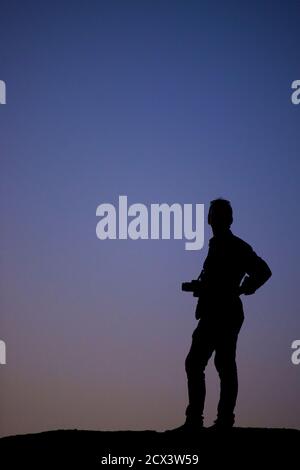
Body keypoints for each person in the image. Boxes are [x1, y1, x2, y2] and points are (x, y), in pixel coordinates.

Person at [167, 198, 272, 432]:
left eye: (218, 215)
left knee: (217, 364)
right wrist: (200, 286)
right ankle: (202, 420)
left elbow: (264, 270)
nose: (214, 219)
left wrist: (246, 287)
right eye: (212, 215)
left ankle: (218, 421)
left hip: (225, 313)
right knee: (202, 363)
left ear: (228, 219)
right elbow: (216, 280)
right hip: (213, 312)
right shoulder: (216, 246)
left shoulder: (236, 246)